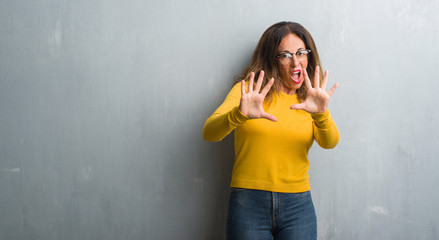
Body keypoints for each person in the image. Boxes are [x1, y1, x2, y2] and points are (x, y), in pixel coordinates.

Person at [202, 21, 340, 240]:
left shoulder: (311, 98)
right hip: (248, 203)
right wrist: (239, 114)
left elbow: (330, 142)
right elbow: (209, 133)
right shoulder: (249, 91)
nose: (296, 61)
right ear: (271, 59)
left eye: (301, 52)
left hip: (298, 206)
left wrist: (321, 113)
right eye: (285, 55)